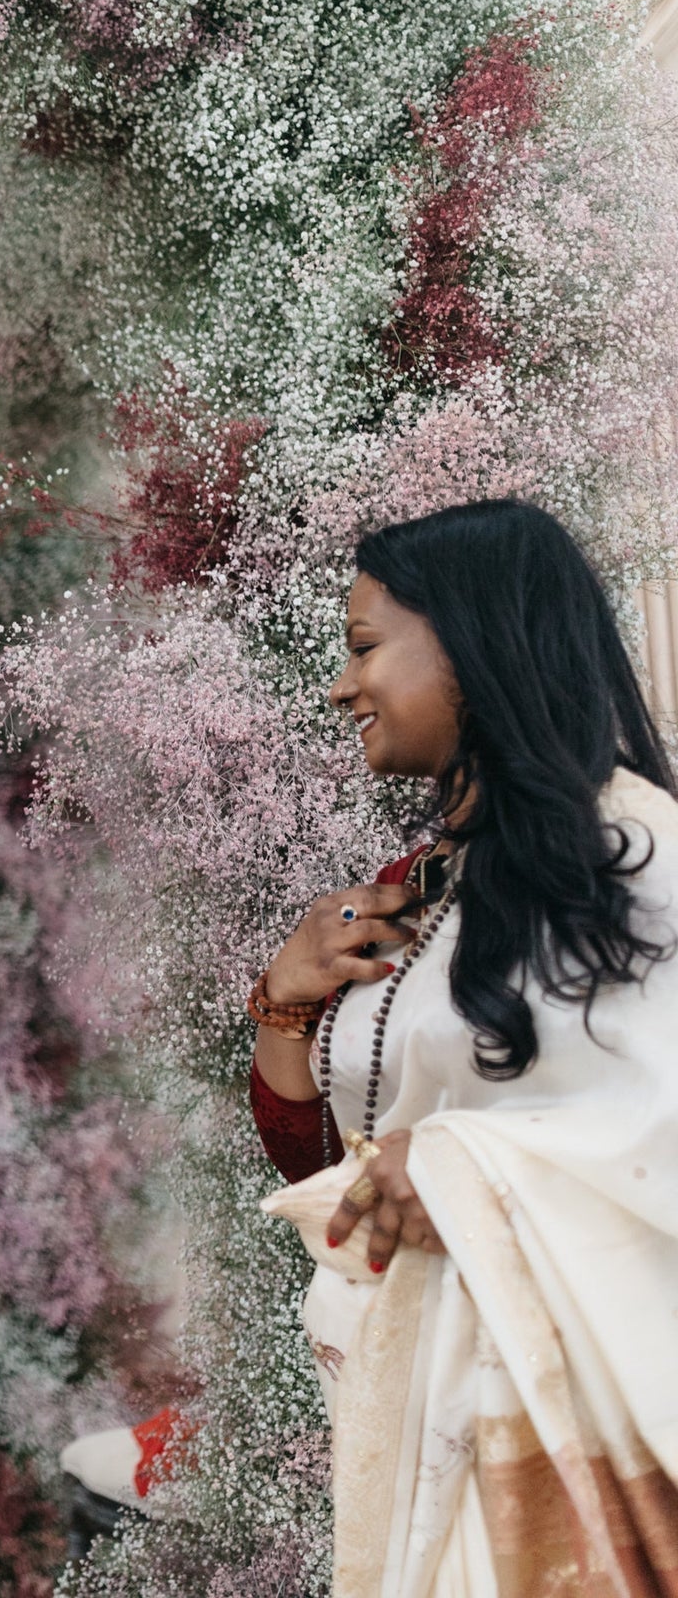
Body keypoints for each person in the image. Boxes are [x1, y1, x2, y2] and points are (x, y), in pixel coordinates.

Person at [248, 500, 678, 1595]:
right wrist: (285, 1007)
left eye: (364, 648)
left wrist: (453, 1167)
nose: (342, 686)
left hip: (571, 1415)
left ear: (474, 642)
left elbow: (660, 1125)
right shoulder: (426, 887)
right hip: (428, 1403)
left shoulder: (631, 856)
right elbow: (341, 1182)